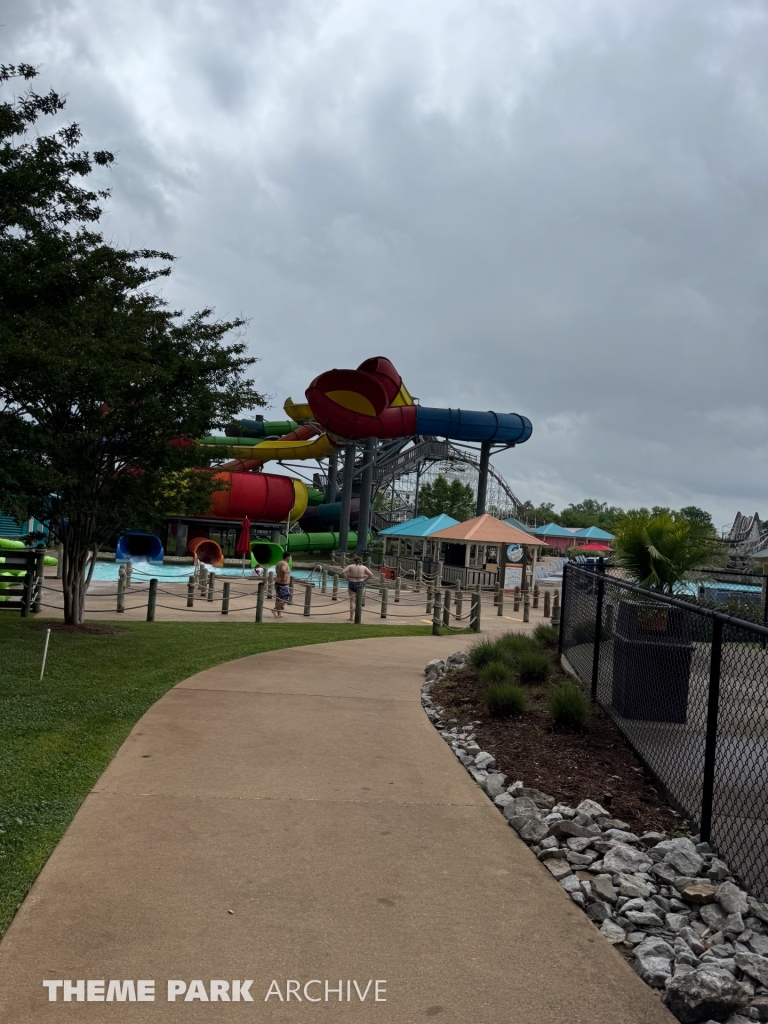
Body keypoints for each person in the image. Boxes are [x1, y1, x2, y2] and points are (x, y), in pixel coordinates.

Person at [341, 555, 374, 621]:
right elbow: (371, 575)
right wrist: (365, 580)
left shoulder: (350, 566)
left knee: (352, 601)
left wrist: (347, 578)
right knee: (359, 601)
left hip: (352, 582)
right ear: (361, 562)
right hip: (360, 582)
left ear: (354, 561)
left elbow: (342, 572)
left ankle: (351, 617)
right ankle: (358, 617)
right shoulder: (364, 567)